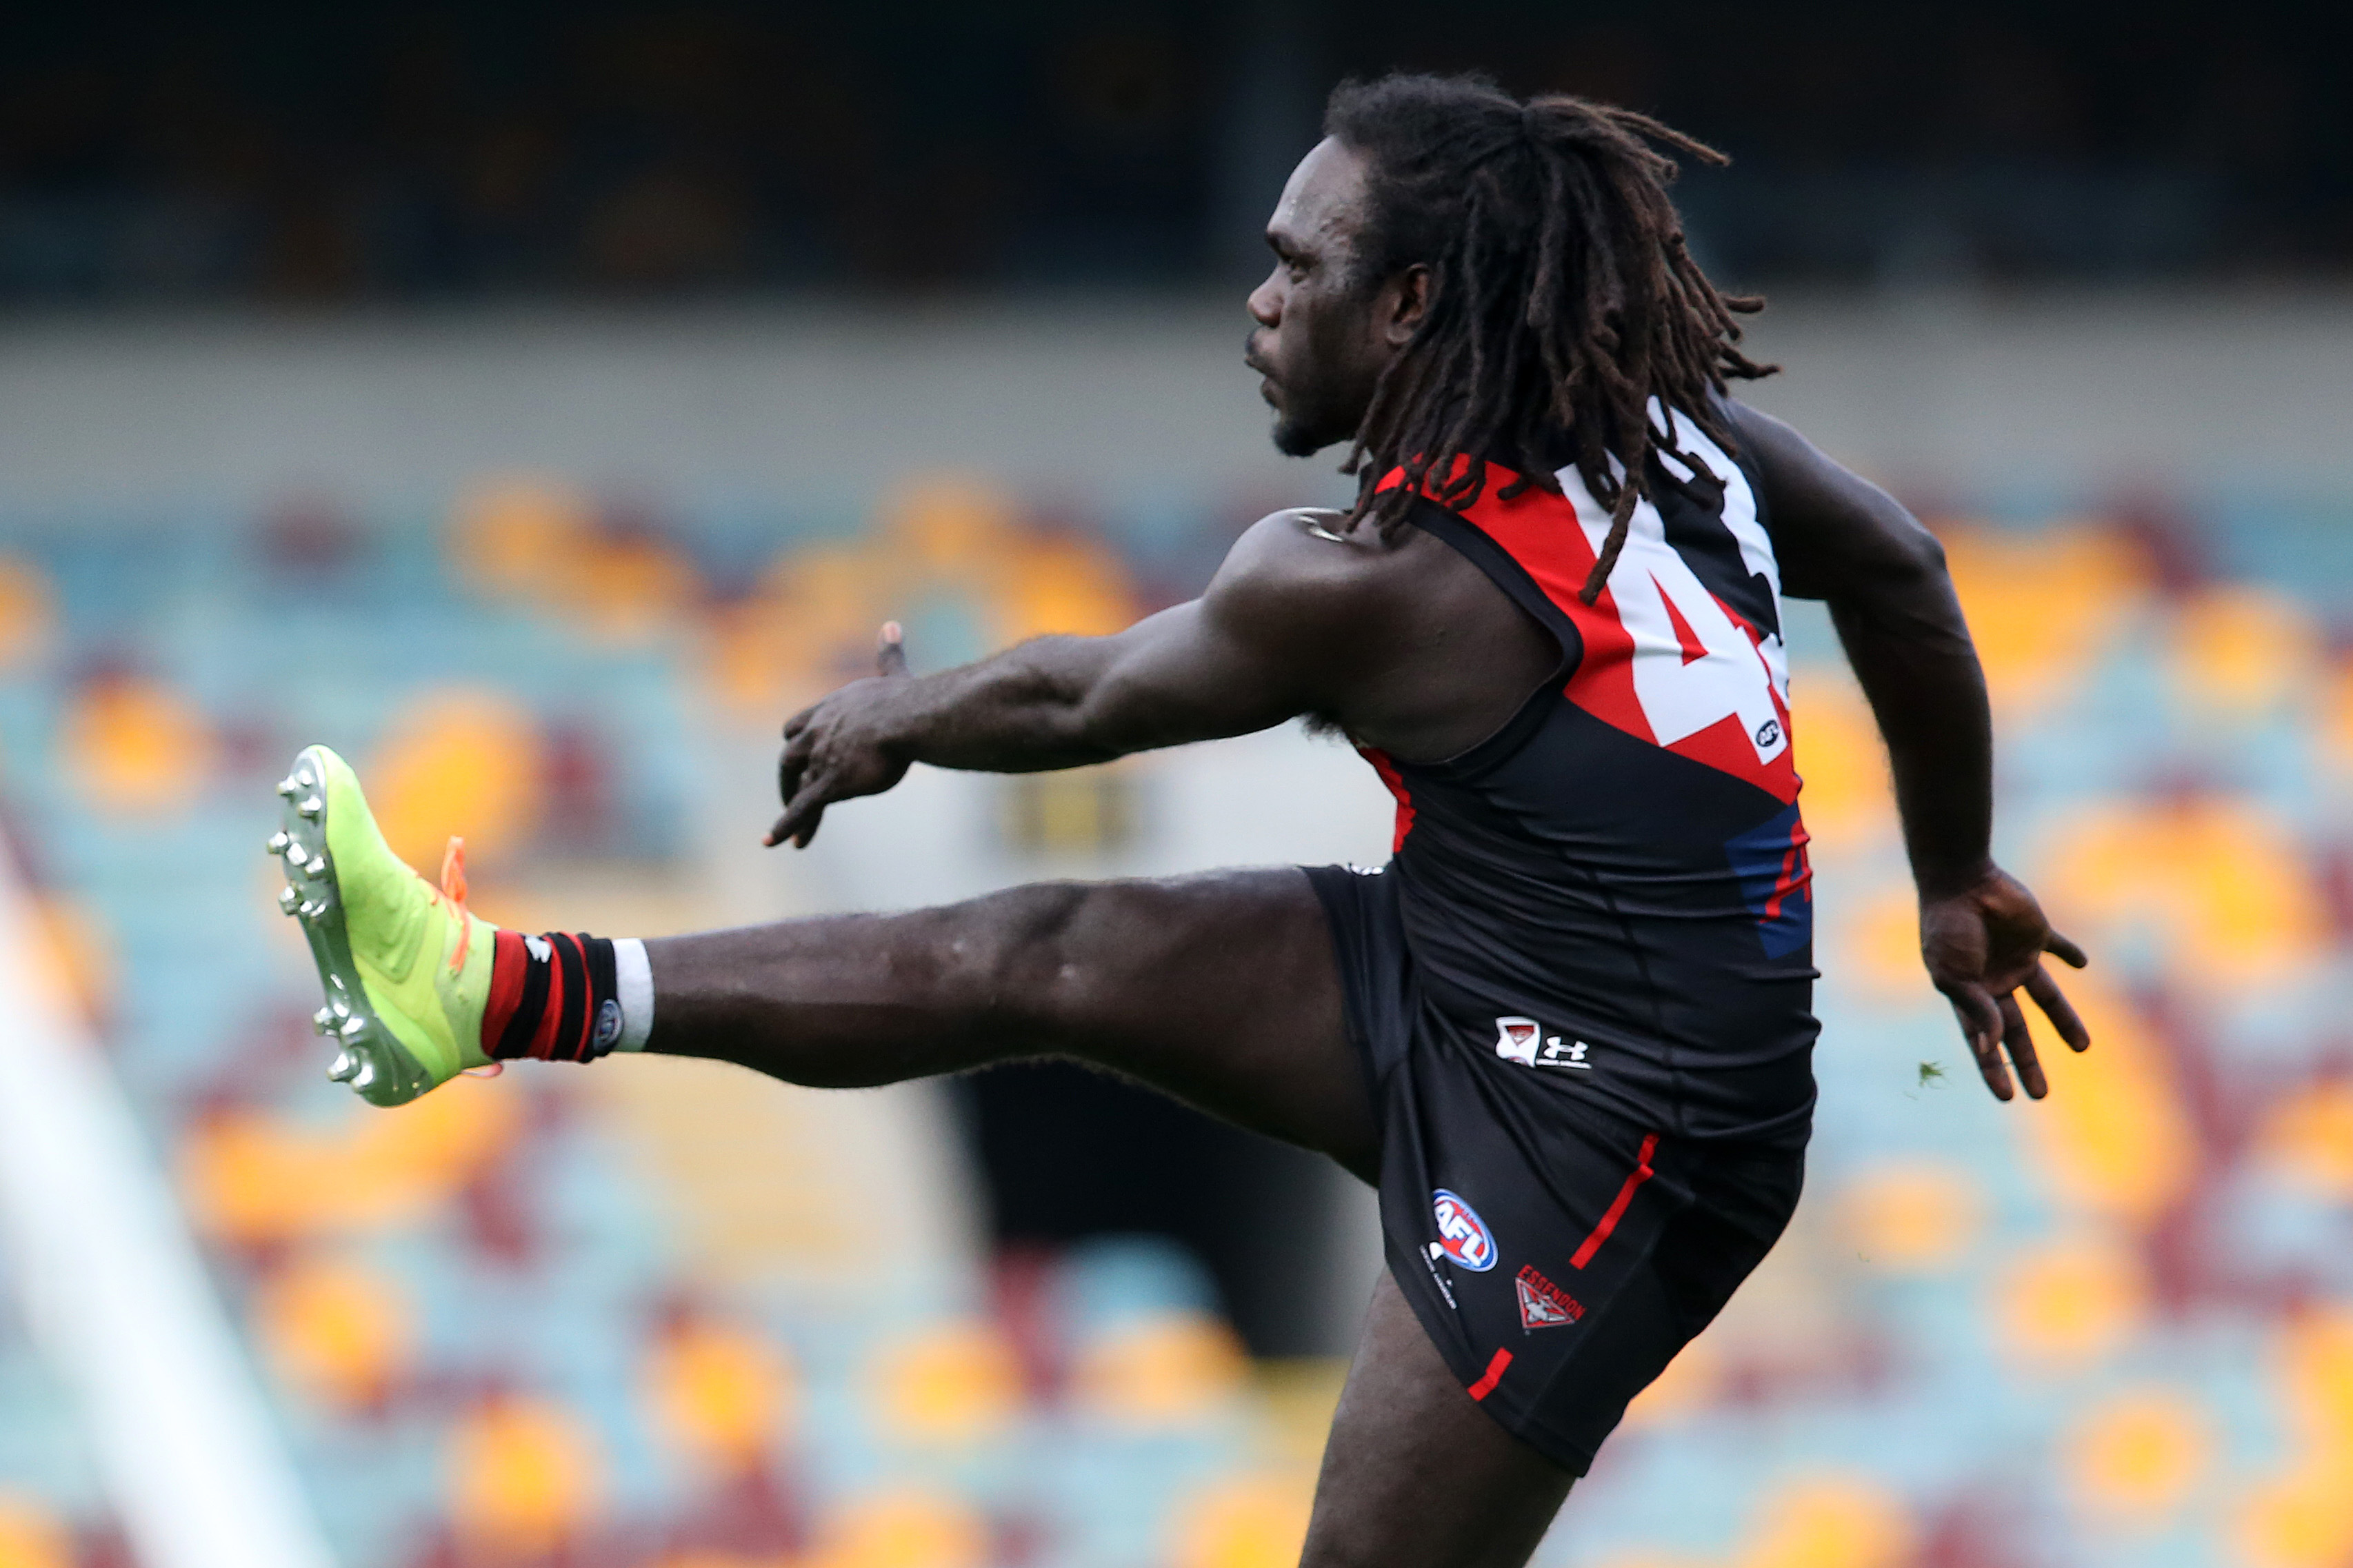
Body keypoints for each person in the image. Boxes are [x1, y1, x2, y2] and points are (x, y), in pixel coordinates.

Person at [266, 74, 2088, 1568]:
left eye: (1299, 268)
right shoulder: (1655, 431)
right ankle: (490, 994)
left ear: (1411, 309)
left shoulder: (1371, 577)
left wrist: (900, 712)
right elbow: (1900, 573)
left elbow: (1088, 699)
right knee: (1040, 949)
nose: (1258, 299)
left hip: (1626, 1128)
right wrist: (1949, 874)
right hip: (1464, 960)